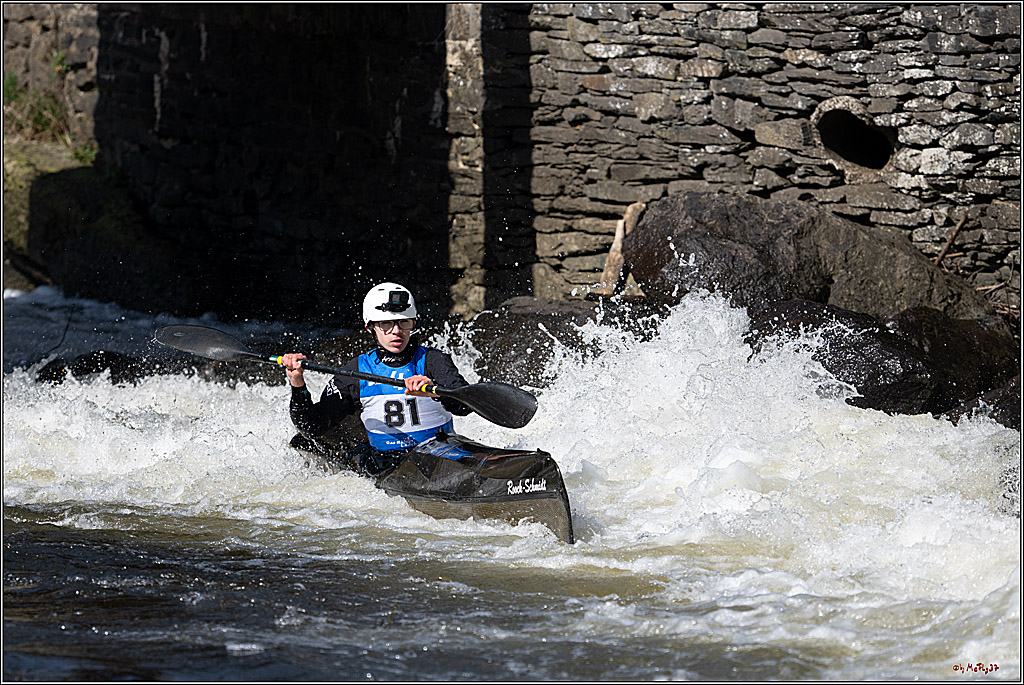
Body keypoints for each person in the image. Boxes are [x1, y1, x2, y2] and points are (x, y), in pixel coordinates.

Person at [281, 282, 472, 475]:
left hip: (442, 453)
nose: (397, 331)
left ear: (413, 323)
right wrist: (297, 383)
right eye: (386, 324)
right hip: (387, 464)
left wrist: (435, 391)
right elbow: (311, 426)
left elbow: (464, 407)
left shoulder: (433, 361)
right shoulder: (355, 372)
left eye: (404, 322)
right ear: (370, 327)